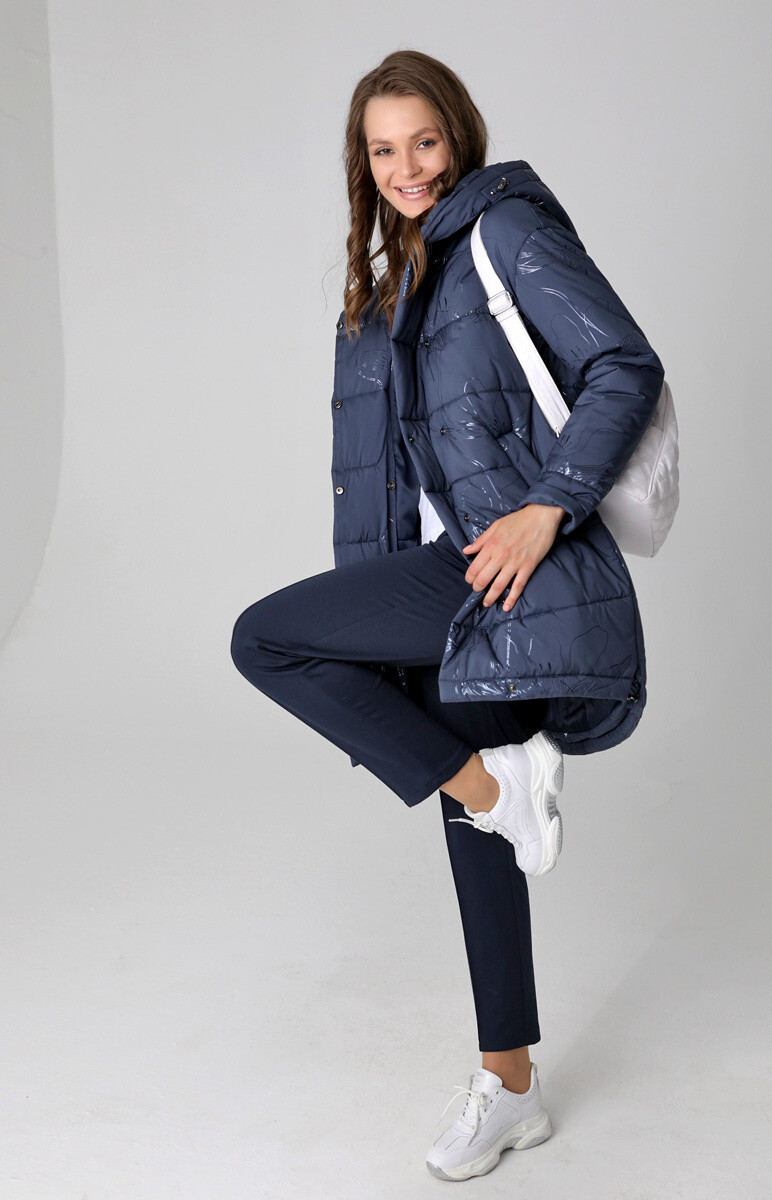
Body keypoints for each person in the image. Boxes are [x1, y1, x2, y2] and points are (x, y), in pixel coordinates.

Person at [230, 48, 664, 1183]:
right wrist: (377, 636)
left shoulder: (505, 230)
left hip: (496, 568)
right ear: (362, 164)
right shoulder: (386, 282)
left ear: (458, 135)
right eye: (384, 150)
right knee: (481, 827)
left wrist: (545, 510)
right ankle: (511, 1086)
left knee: (263, 639)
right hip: (432, 577)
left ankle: (490, 790)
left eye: (423, 140)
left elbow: (623, 364)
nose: (407, 166)